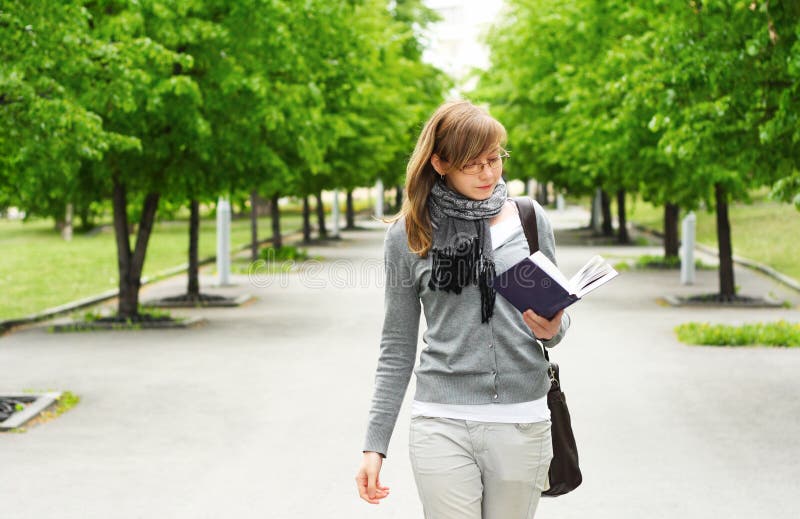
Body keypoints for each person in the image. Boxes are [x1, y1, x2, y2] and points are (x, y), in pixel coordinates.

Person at [355, 100, 571, 518]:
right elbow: (397, 345)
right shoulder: (409, 234)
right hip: (441, 421)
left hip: (522, 419)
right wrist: (374, 444)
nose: (488, 173)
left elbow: (558, 327)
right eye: (474, 164)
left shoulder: (527, 219)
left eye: (495, 159)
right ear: (440, 163)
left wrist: (552, 327)